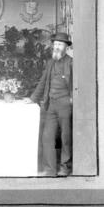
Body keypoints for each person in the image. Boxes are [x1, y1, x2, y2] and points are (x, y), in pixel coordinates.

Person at [24, 32, 73, 177]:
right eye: (55, 44)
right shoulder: (50, 62)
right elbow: (43, 82)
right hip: (51, 104)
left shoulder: (71, 62)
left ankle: (65, 167)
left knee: (65, 137)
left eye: (60, 44)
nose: (57, 47)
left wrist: (72, 100)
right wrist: (33, 98)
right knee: (47, 137)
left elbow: (77, 85)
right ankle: (50, 170)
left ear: (66, 47)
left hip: (65, 104)